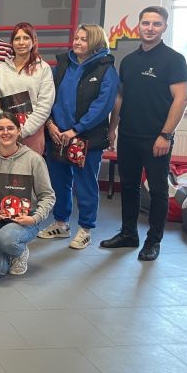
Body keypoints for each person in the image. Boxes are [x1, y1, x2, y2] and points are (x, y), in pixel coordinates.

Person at [101, 6, 187, 261]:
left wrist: (166, 135)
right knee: (128, 186)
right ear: (138, 26)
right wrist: (112, 128)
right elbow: (120, 98)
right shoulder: (129, 61)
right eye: (146, 23)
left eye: (156, 24)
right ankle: (128, 233)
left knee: (158, 190)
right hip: (129, 135)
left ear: (164, 27)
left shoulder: (174, 60)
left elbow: (181, 99)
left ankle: (153, 241)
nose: (150, 28)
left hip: (156, 138)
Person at [38, 24, 119, 250]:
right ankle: (61, 223)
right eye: (76, 38)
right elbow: (48, 95)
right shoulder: (63, 64)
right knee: (59, 181)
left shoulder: (106, 69)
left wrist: (76, 130)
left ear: (96, 42)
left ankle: (85, 229)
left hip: (86, 137)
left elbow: (103, 105)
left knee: (85, 184)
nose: (77, 42)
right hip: (58, 135)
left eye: (84, 39)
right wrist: (51, 124)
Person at [0, 113, 55, 279]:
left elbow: (48, 196)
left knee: (6, 240)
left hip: (24, 221)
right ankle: (6, 250)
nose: (5, 132)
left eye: (10, 128)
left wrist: (34, 219)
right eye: (0, 129)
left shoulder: (34, 160)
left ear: (19, 131)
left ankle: (19, 250)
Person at [0, 22, 54, 155]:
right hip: (4, 133)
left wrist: (23, 131)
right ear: (12, 43)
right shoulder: (1, 68)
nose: (21, 43)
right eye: (17, 39)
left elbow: (45, 105)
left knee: (29, 168)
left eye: (26, 38)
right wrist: (7, 129)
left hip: (32, 133)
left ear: (34, 41)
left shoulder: (43, 68)